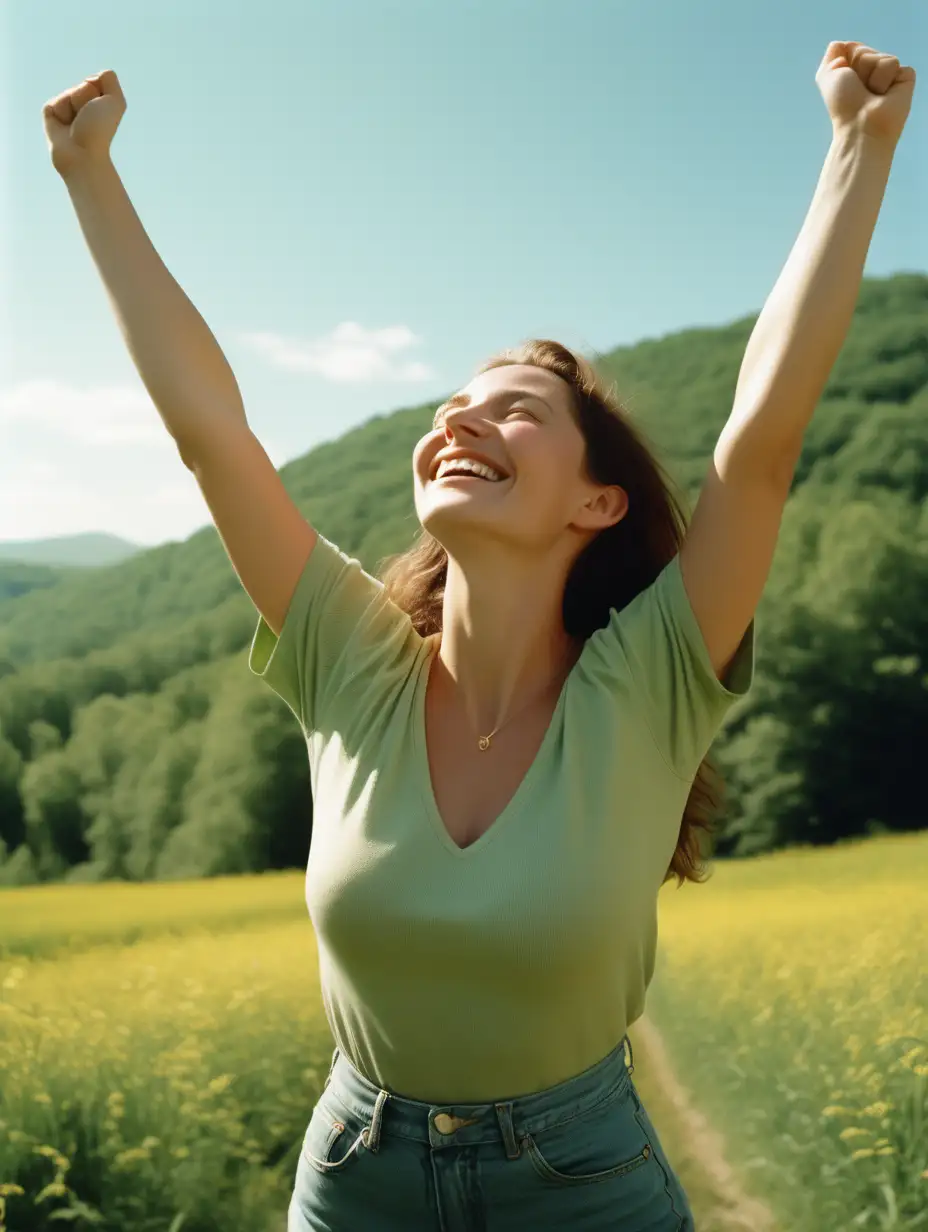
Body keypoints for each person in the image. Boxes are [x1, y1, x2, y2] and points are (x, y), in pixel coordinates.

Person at [43, 39, 914, 1231]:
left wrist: (857, 147)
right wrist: (89, 176)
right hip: (356, 1177)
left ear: (595, 501)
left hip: (583, 1184)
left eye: (517, 407)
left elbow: (758, 442)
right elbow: (215, 437)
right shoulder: (349, 662)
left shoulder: (648, 679)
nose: (464, 412)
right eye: (455, 401)